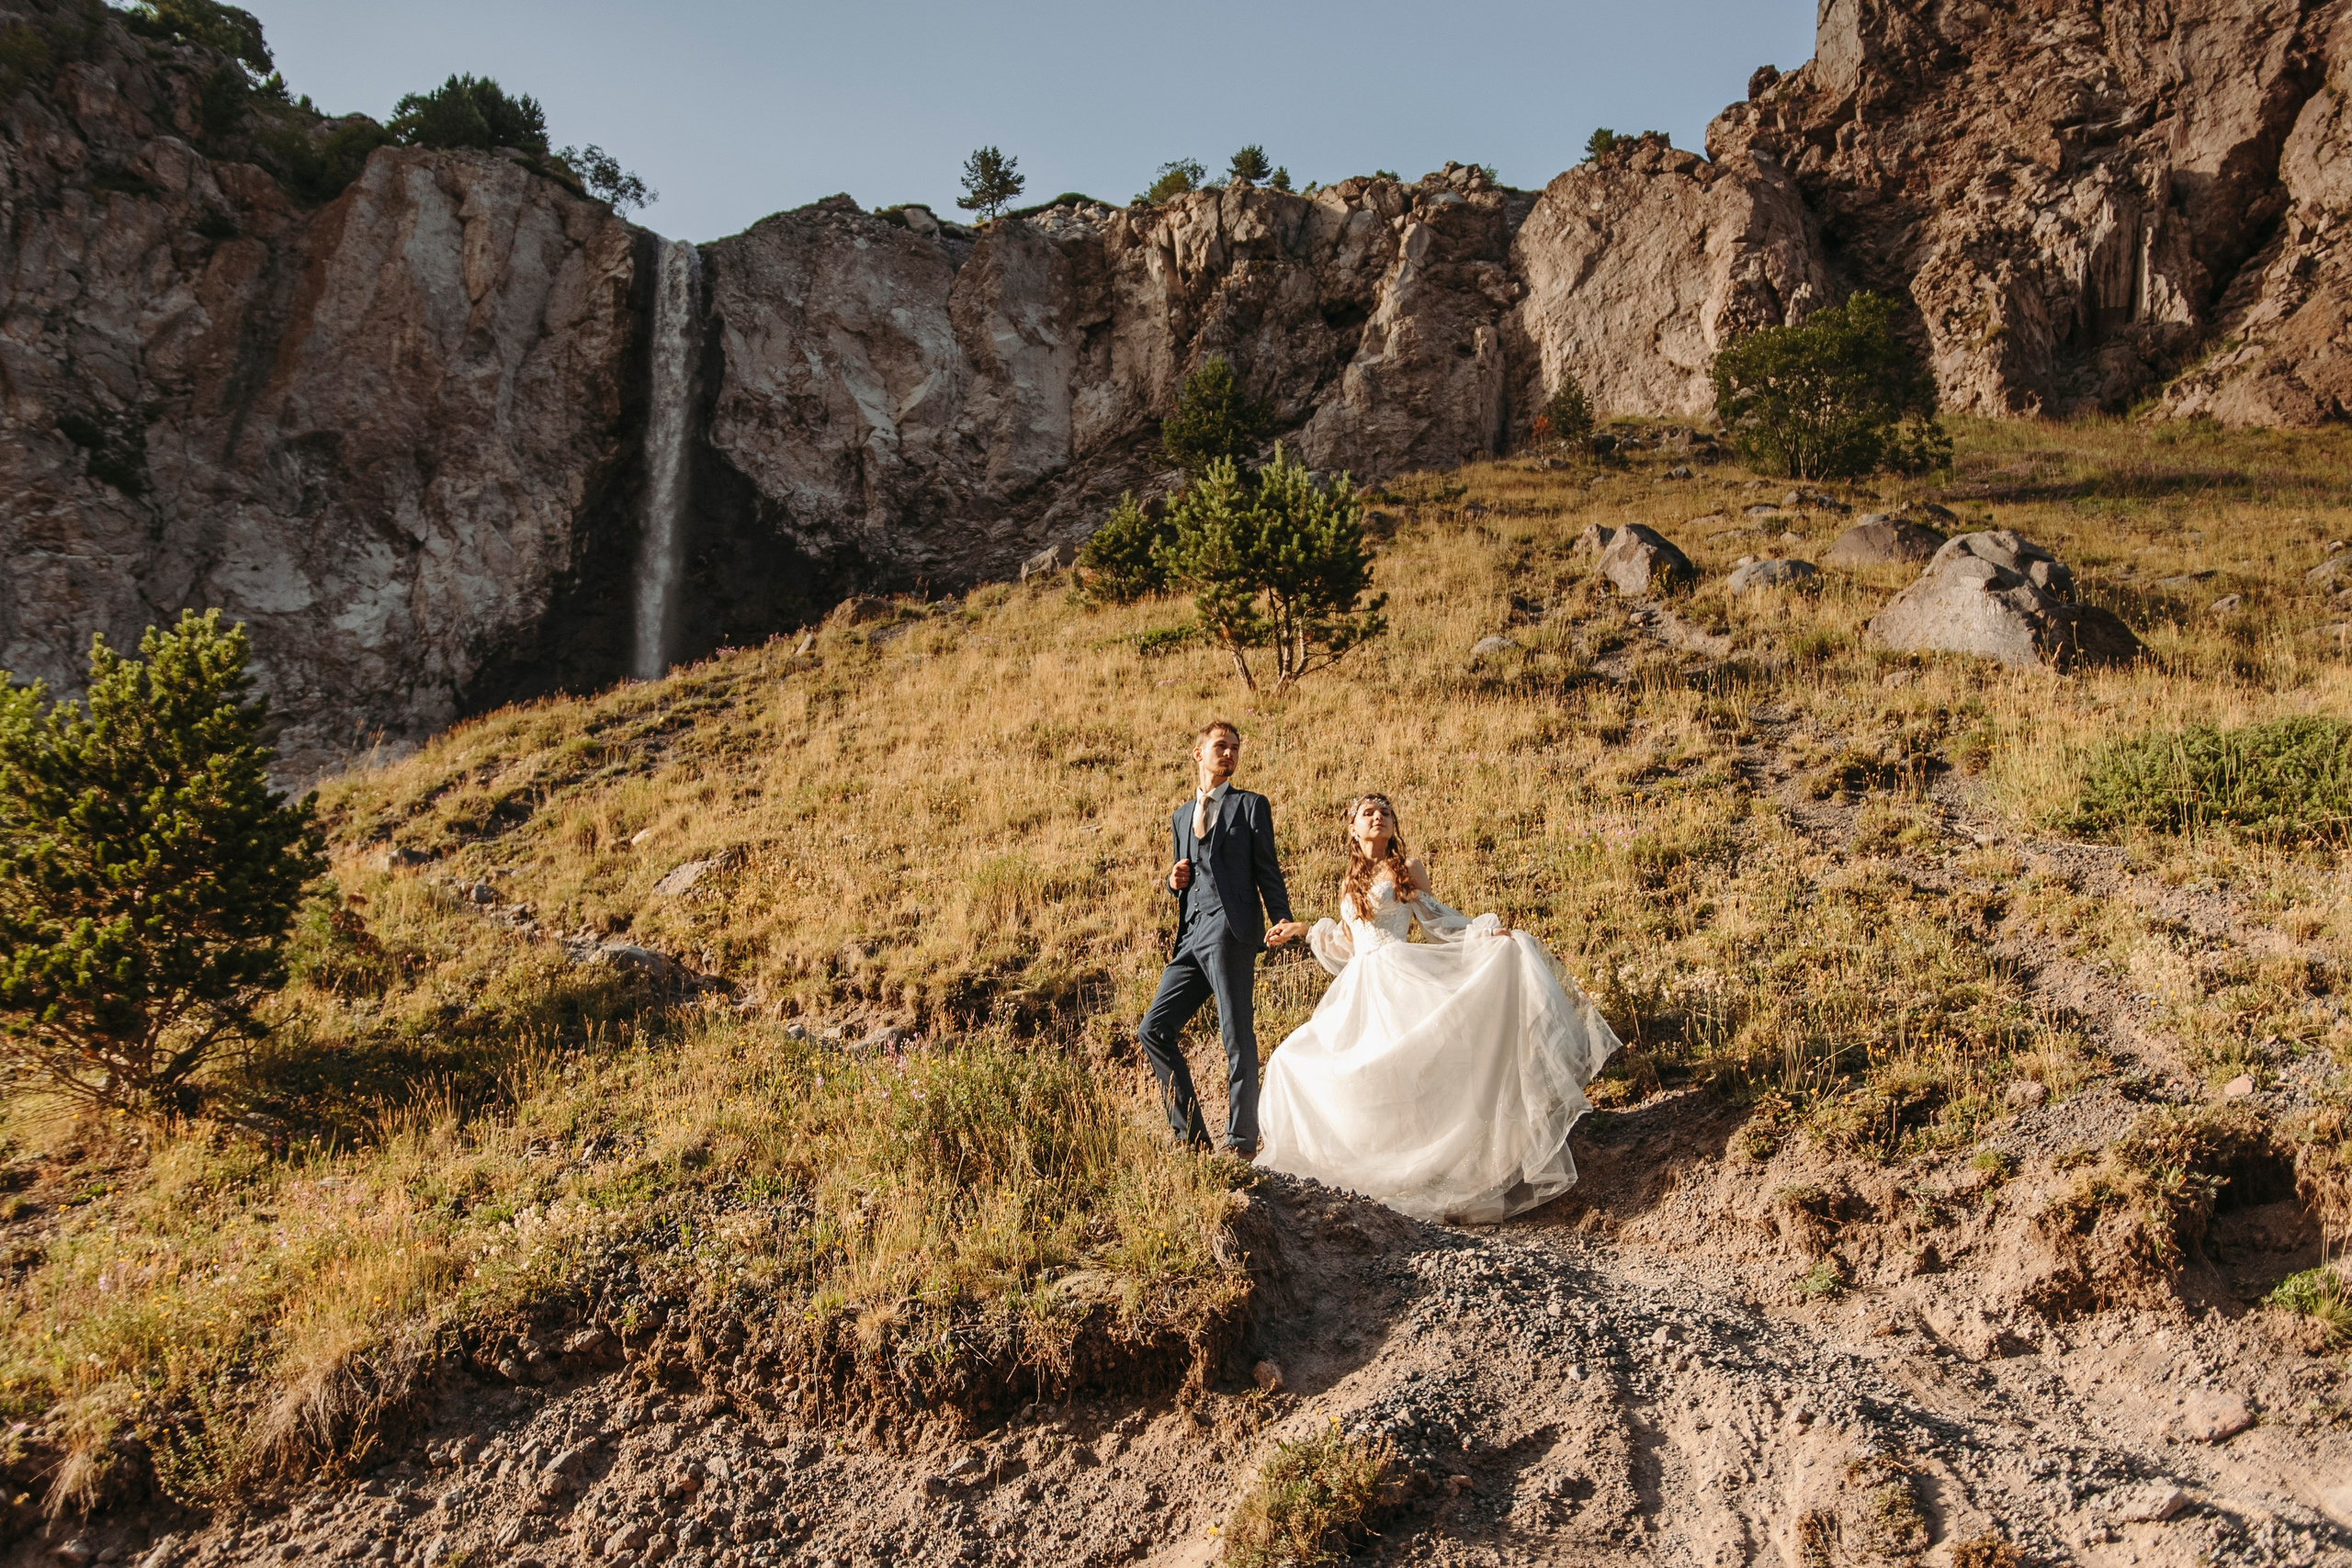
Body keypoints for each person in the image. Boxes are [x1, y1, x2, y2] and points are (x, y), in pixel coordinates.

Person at [1256, 793, 1621, 1223]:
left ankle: (1450, 1177)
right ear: (1352, 828)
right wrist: (1302, 930)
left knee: (1418, 1070)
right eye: (1368, 814)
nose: (1379, 818)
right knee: (1298, 1061)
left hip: (1400, 976)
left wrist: (1481, 934)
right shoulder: (1348, 882)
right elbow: (1349, 944)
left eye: (1386, 813)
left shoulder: (1405, 869)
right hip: (1360, 988)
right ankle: (1384, 1173)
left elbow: (1436, 920)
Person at [1136, 720, 1308, 1156]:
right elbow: (1186, 871)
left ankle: (1241, 1140)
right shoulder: (1179, 816)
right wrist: (1174, 883)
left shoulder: (1250, 806)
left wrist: (1282, 918)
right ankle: (1191, 1139)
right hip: (1191, 933)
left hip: (1230, 930)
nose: (1229, 753)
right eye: (1220, 746)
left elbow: (1268, 869)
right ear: (1199, 754)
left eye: (1234, 748)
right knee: (1153, 1029)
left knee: (1236, 1035)